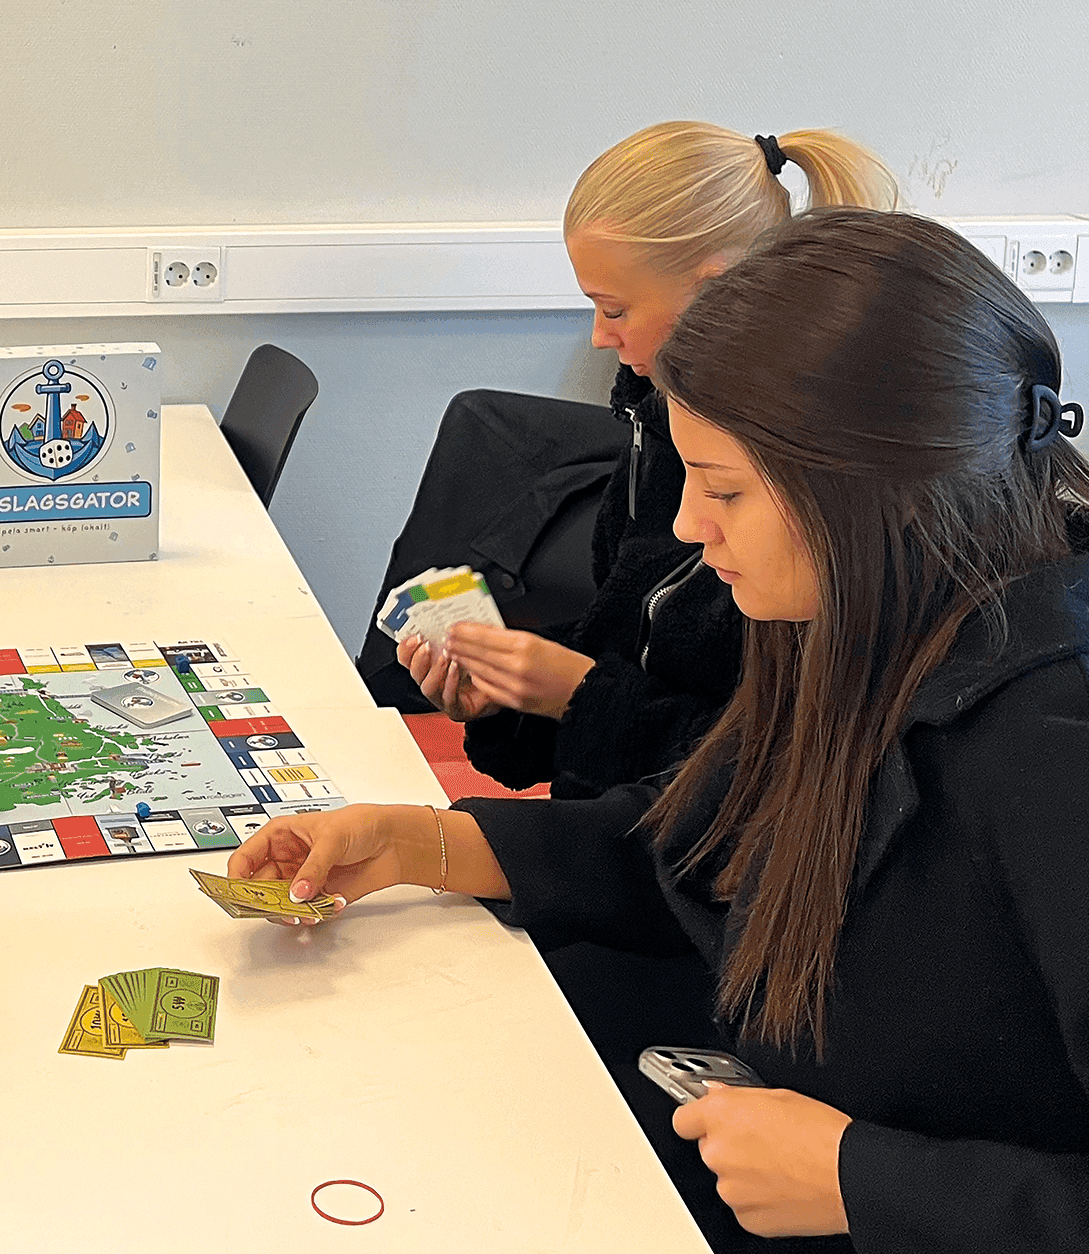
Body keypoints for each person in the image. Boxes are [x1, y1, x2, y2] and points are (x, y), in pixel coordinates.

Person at [234, 209, 1089, 1253]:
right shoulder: (849, 615)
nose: (687, 526)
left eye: (724, 488)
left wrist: (866, 1181)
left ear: (877, 492)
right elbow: (713, 847)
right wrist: (430, 843)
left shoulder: (1050, 744)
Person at [397, 122, 896, 799]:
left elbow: (764, 779)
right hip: (617, 836)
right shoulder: (654, 425)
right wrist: (515, 695)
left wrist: (576, 694)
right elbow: (631, 632)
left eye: (614, 309)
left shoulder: (816, 501)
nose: (599, 337)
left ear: (714, 293)